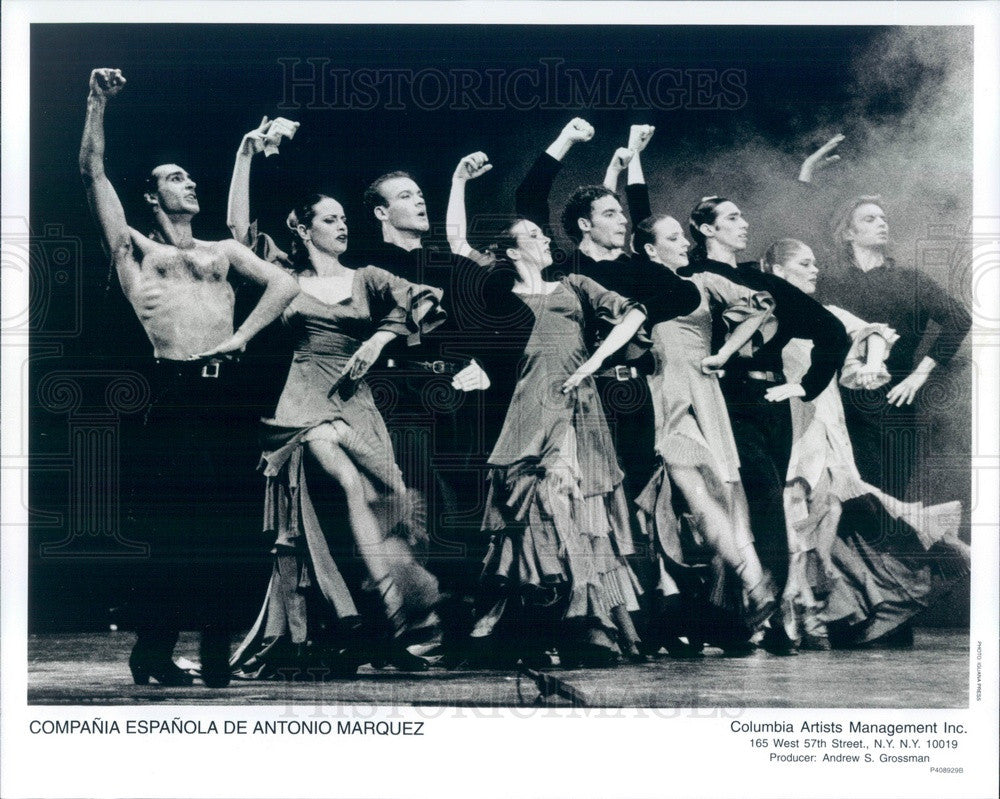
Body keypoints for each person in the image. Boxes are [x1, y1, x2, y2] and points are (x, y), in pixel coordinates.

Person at [78, 69, 300, 687]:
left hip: (223, 394)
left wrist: (242, 337)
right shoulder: (138, 251)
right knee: (173, 530)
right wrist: (97, 102)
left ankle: (213, 652)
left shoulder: (222, 252)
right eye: (176, 178)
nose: (189, 183)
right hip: (172, 394)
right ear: (152, 198)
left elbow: (285, 284)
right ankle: (152, 650)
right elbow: (93, 173)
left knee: (229, 528)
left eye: (190, 177)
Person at [225, 122, 449, 675]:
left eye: (345, 219)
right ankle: (387, 609)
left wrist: (377, 338)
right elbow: (235, 229)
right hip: (303, 400)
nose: (342, 226)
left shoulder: (368, 275)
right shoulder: (284, 275)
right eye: (330, 219)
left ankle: (383, 625)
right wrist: (245, 153)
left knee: (390, 498)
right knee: (348, 483)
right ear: (301, 229)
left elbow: (421, 299)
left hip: (356, 401)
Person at [448, 155, 650, 667]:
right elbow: (456, 246)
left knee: (576, 503)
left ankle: (587, 623)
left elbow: (634, 315)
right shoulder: (499, 296)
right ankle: (534, 622)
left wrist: (596, 363)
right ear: (513, 249)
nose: (544, 240)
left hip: (577, 406)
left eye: (544, 234)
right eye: (533, 235)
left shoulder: (575, 285)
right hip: (525, 410)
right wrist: (457, 182)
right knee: (531, 510)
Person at [762, 239, 970, 648]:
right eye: (805, 263)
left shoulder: (827, 314)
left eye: (816, 261)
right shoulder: (760, 312)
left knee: (822, 510)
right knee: (792, 514)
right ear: (777, 270)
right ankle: (793, 614)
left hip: (821, 423)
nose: (815, 270)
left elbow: (872, 331)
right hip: (780, 421)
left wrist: (874, 364)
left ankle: (811, 614)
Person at [683, 196, 851, 653]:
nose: (745, 223)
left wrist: (805, 386)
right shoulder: (688, 277)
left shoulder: (760, 282)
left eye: (742, 214)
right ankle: (742, 614)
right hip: (720, 401)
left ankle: (766, 619)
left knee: (765, 500)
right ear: (705, 228)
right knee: (746, 498)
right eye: (733, 217)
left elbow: (834, 334)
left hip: (769, 404)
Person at [631, 213, 779, 655]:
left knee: (722, 493)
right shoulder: (640, 282)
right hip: (662, 395)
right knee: (686, 492)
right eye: (672, 237)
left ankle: (736, 601)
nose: (684, 243)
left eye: (683, 235)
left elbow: (761, 304)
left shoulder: (704, 280)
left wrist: (725, 353)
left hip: (704, 390)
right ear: (650, 250)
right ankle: (747, 581)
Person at [817, 191, 973, 501]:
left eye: (883, 218)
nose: (882, 224)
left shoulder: (909, 280)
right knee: (846, 495)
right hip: (841, 403)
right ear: (848, 233)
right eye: (869, 219)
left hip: (895, 402)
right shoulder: (827, 284)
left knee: (892, 494)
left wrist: (919, 375)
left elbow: (959, 319)